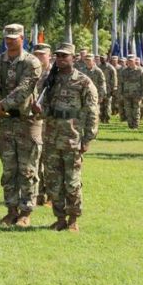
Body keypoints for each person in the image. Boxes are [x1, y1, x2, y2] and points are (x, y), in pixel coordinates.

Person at [0, 23, 42, 227]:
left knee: (27, 169)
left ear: (22, 38)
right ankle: (11, 209)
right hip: (6, 122)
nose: (9, 41)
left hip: (27, 122)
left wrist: (2, 104)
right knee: (9, 169)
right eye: (6, 37)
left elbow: (24, 89)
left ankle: (26, 212)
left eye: (13, 37)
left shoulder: (32, 63)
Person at [37, 43, 98, 232]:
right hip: (52, 136)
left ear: (73, 58)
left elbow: (92, 111)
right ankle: (60, 217)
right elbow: (44, 109)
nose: (61, 59)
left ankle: (73, 219)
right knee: (53, 181)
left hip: (73, 137)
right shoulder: (50, 81)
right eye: (58, 56)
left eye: (65, 56)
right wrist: (39, 110)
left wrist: (88, 138)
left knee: (72, 181)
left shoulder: (83, 81)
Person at [33, 43, 52, 206]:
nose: (39, 58)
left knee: (49, 158)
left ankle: (52, 194)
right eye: (36, 55)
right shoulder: (31, 73)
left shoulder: (55, 74)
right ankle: (39, 193)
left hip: (50, 122)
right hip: (34, 121)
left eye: (42, 55)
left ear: (49, 56)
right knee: (36, 157)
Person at [119, 54, 143, 129]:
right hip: (126, 94)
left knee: (136, 111)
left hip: (137, 95)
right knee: (128, 111)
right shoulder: (124, 71)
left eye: (132, 61)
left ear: (135, 61)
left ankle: (135, 125)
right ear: (127, 61)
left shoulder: (140, 71)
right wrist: (120, 94)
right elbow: (121, 83)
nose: (130, 62)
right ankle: (130, 125)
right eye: (129, 61)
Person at [98, 55, 117, 123]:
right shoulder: (98, 67)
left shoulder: (110, 68)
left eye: (103, 58)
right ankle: (101, 118)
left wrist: (113, 89)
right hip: (100, 89)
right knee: (101, 105)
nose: (102, 59)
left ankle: (107, 118)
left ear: (106, 59)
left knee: (107, 104)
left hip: (108, 89)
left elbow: (114, 79)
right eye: (101, 58)